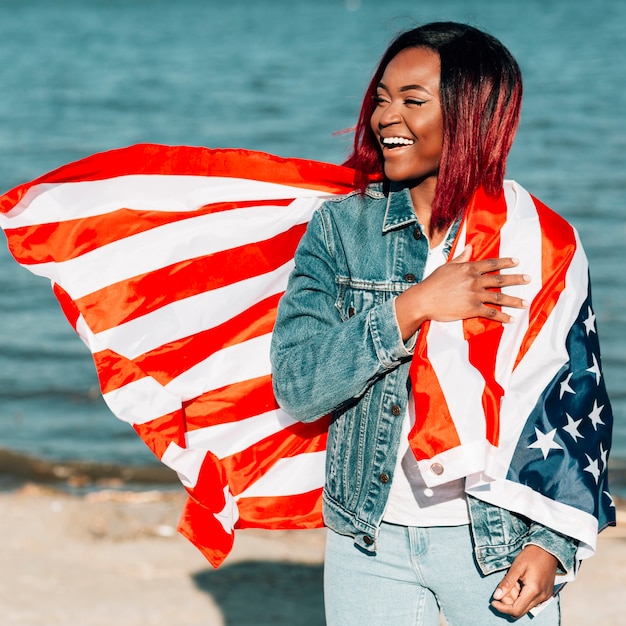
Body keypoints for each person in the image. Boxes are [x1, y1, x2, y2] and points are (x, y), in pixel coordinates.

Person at [270, 21, 612, 625]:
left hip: (498, 543)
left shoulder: (539, 241)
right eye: (382, 97)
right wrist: (414, 306)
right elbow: (298, 386)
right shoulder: (341, 231)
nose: (386, 117)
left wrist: (553, 546)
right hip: (368, 541)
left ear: (470, 115)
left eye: (413, 100)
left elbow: (574, 405)